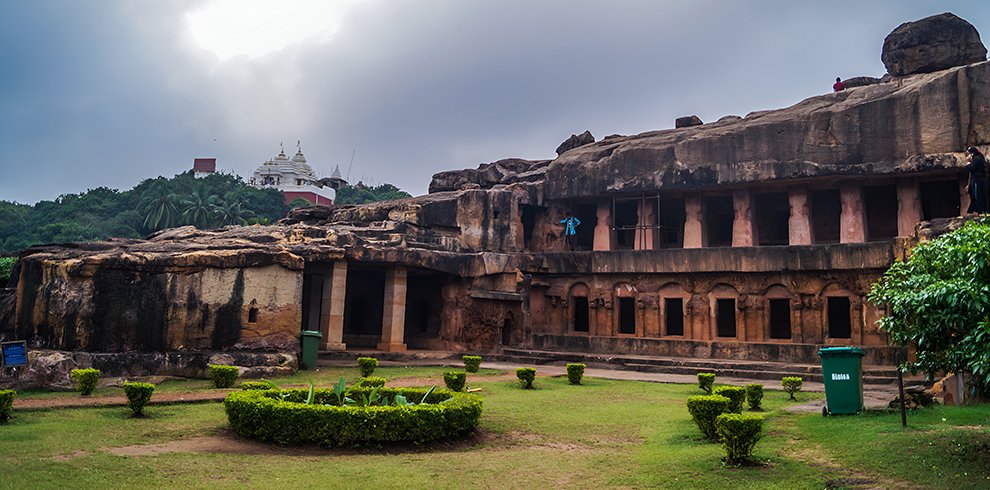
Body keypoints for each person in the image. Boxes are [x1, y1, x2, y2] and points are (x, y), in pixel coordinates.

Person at [965, 146, 989, 214]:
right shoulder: (975, 159)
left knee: (978, 196)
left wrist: (968, 165)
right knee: (975, 196)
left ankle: (982, 211)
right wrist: (968, 185)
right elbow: (971, 173)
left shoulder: (977, 159)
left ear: (972, 153)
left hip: (978, 182)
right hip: (976, 181)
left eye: (968, 154)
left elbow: (971, 168)